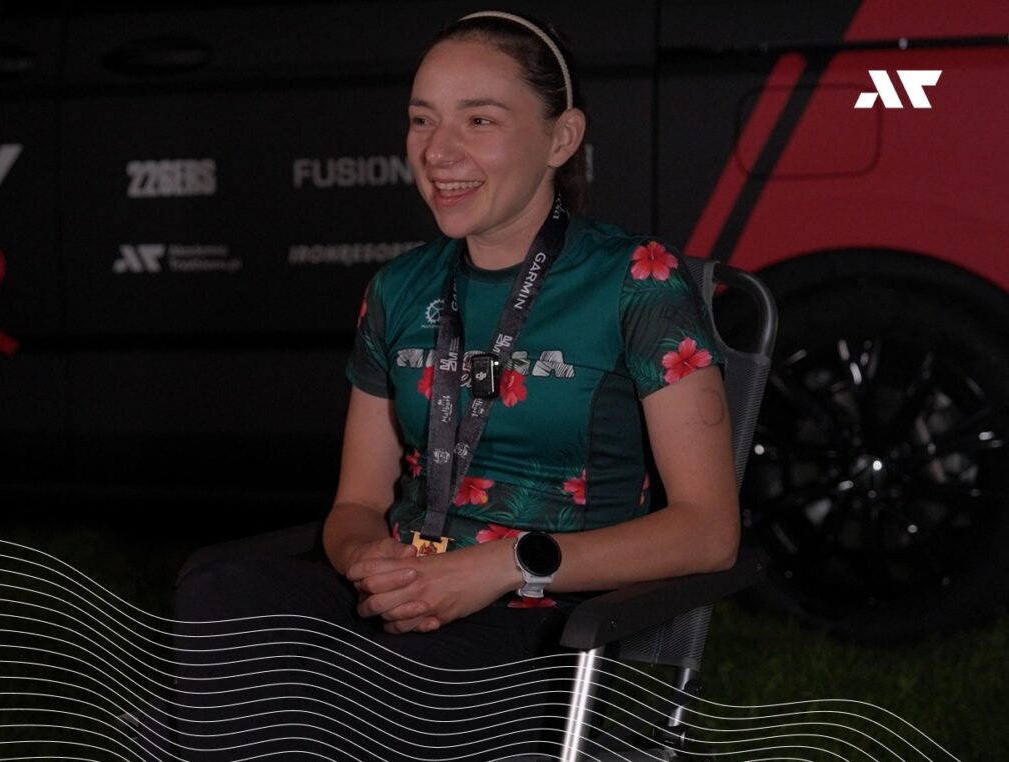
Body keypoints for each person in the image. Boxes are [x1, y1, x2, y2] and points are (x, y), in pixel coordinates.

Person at [169, 9, 738, 761]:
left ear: (561, 139)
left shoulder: (639, 281)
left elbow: (708, 532)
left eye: (479, 119)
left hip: (538, 612)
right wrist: (371, 562)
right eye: (422, 120)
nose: (439, 151)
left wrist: (500, 565)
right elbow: (356, 505)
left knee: (327, 699)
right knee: (217, 589)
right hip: (404, 593)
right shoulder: (398, 289)